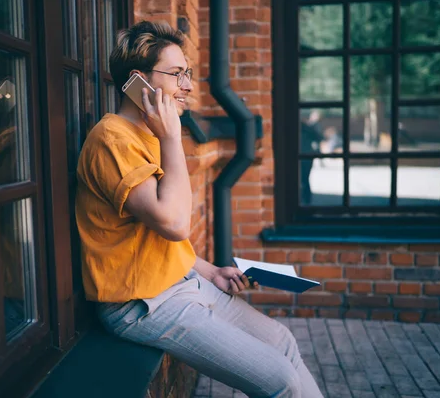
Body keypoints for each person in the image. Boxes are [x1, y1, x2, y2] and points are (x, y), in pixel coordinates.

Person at [75, 21, 323, 398]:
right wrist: (172, 137)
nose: (188, 86)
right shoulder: (113, 139)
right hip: (142, 304)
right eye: (177, 74)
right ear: (138, 80)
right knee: (281, 381)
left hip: (181, 283)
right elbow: (173, 223)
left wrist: (211, 272)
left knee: (283, 341)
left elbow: (158, 239)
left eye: (187, 74)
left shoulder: (151, 134)